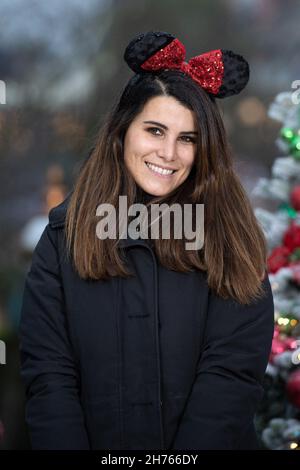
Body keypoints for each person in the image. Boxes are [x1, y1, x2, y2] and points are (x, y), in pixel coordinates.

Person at [18, 31, 275, 450]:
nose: (169, 153)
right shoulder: (64, 238)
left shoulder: (230, 237)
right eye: (155, 131)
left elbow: (231, 377)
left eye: (187, 138)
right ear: (122, 132)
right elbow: (49, 376)